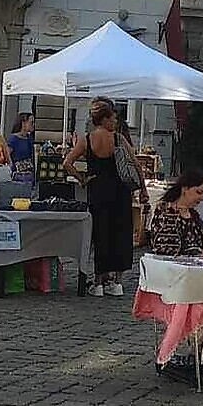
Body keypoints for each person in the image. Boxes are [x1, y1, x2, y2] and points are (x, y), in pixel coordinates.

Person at [63, 98, 134, 297]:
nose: (115, 121)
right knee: (120, 234)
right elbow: (134, 162)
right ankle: (117, 283)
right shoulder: (119, 139)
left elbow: (67, 162)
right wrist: (142, 189)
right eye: (113, 118)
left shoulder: (87, 139)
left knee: (100, 234)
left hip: (98, 190)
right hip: (120, 190)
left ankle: (99, 282)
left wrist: (82, 179)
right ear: (103, 119)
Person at [148, 169, 203, 257]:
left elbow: (199, 244)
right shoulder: (166, 212)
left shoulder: (193, 215)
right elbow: (164, 247)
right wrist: (195, 253)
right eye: (199, 192)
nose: (202, 198)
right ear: (185, 189)